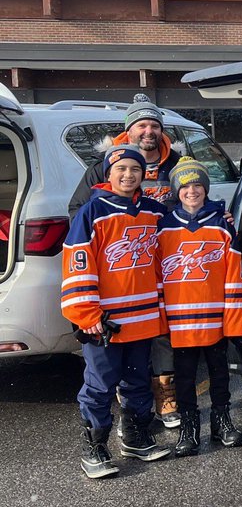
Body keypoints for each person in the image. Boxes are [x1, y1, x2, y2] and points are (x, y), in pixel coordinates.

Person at [70, 93, 185, 430]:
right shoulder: (103, 167)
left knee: (161, 333)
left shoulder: (178, 164)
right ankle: (110, 427)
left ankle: (163, 397)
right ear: (130, 130)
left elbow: (194, 199)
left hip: (159, 266)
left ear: (161, 130)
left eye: (154, 125)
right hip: (116, 270)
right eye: (141, 125)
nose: (148, 131)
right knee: (111, 361)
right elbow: (79, 212)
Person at [62, 144, 172, 479]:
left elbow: (182, 237)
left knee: (137, 380)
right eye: (121, 169)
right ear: (108, 173)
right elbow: (78, 265)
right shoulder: (92, 212)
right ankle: (94, 447)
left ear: (143, 174)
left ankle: (135, 438)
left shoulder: (155, 212)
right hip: (105, 321)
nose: (128, 175)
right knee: (100, 385)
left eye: (135, 169)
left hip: (143, 317)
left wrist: (221, 217)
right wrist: (87, 314)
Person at [156, 158, 242, 456]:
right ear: (176, 191)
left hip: (214, 316)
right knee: (184, 376)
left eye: (197, 185)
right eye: (185, 186)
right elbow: (156, 275)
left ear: (206, 189)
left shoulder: (222, 224)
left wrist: (233, 318)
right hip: (180, 319)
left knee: (219, 372)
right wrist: (161, 317)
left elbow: (233, 273)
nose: (191, 191)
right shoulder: (164, 227)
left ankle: (222, 422)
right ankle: (189, 427)